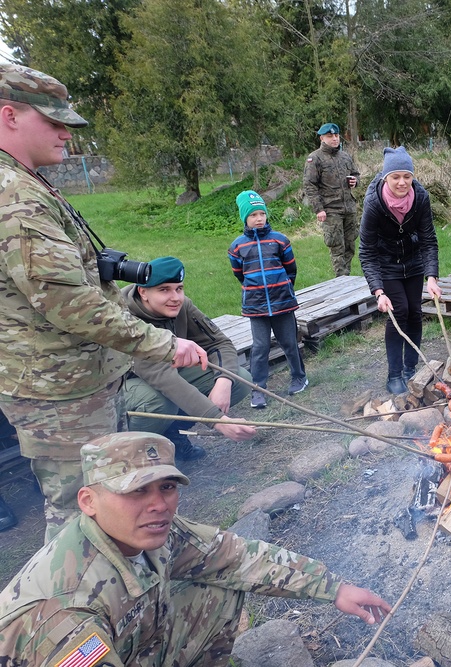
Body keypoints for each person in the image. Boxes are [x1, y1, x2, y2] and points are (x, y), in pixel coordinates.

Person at [0, 63, 208, 542]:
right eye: (53, 123)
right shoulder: (15, 197)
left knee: (107, 500)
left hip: (78, 382)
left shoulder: (29, 183)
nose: (66, 135)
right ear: (9, 116)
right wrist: (159, 342)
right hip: (58, 393)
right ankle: (71, 614)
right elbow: (68, 304)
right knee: (80, 514)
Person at [0, 431, 391, 666]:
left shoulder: (147, 528)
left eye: (166, 487)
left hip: (132, 641)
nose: (159, 504)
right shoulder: (64, 611)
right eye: (136, 491)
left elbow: (237, 557)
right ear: (88, 501)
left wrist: (333, 588)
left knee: (221, 584)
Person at [123, 257, 258, 459]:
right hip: (120, 388)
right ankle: (136, 454)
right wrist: (217, 420)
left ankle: (174, 435)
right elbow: (162, 377)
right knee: (156, 402)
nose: (175, 297)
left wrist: (223, 382)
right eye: (164, 290)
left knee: (239, 378)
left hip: (163, 376)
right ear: (143, 292)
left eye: (179, 288)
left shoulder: (181, 306)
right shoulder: (124, 317)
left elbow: (219, 343)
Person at [359, 147, 442, 394]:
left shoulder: (421, 197)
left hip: (413, 260)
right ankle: (394, 374)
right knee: (400, 311)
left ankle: (411, 368)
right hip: (386, 264)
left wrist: (432, 276)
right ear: (386, 178)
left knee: (415, 312)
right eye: (395, 176)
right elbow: (366, 251)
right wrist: (378, 291)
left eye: (407, 176)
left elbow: (428, 239)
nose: (402, 182)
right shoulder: (374, 203)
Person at [228, 191, 308, 409]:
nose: (259, 218)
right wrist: (256, 290)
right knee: (260, 347)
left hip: (283, 302)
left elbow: (291, 269)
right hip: (256, 307)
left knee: (289, 342)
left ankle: (299, 377)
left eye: (262, 213)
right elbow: (239, 274)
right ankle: (258, 388)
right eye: (253, 214)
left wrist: (282, 288)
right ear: (245, 218)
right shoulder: (237, 247)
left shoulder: (280, 240)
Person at [303, 122, 361, 277]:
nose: (335, 139)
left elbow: (356, 174)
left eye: (336, 135)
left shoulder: (345, 156)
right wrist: (319, 209)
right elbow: (309, 185)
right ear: (322, 138)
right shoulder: (315, 159)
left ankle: (346, 276)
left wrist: (355, 181)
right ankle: (341, 280)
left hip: (348, 207)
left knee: (350, 245)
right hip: (330, 209)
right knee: (337, 246)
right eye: (330, 136)